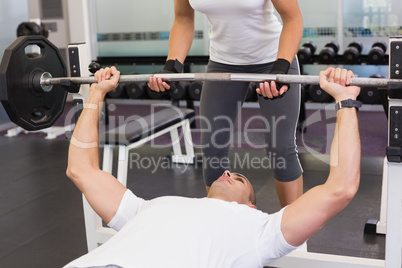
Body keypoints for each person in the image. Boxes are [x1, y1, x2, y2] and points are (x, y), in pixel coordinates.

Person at [64, 66, 361, 268]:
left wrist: (345, 103)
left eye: (240, 177)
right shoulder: (145, 209)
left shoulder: (260, 231)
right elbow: (81, 170)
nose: (228, 171)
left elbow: (340, 189)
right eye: (233, 172)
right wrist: (96, 94)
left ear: (252, 207)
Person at [147, 0, 305, 207]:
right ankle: (221, 225)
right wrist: (172, 66)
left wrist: (281, 68)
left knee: (281, 148)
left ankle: (294, 233)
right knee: (213, 149)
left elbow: (293, 19)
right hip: (223, 63)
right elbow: (183, 19)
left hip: (274, 58)